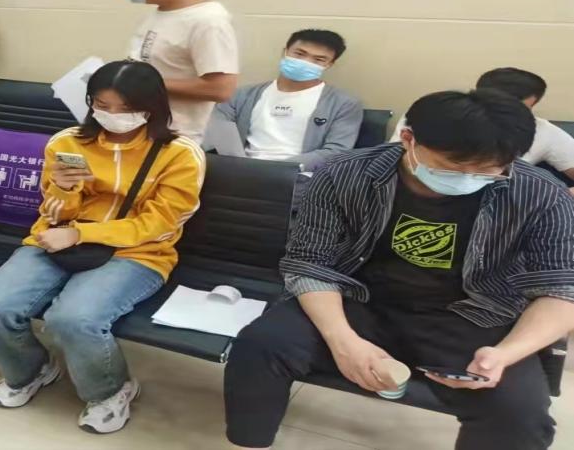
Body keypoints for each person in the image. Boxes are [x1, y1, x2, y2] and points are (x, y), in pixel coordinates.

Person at [224, 89, 574, 450]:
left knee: (518, 413)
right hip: (358, 299)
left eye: (487, 171)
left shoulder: (540, 196)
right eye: (452, 168)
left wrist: (504, 355)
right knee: (262, 346)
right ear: (408, 139)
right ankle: (250, 441)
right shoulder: (345, 174)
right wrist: (343, 342)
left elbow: (562, 291)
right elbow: (310, 262)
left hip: (472, 316)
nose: (468, 178)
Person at [0, 60, 205, 435]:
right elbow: (53, 212)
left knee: (73, 319)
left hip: (139, 251)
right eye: (103, 106)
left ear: (153, 107)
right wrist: (63, 189)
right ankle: (32, 370)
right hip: (59, 238)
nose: (113, 116)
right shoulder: (68, 142)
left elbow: (160, 224)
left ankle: (110, 390)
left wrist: (81, 234)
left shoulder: (179, 153)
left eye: (126, 108)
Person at [102, 0, 239, 144]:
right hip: (139, 131)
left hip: (174, 140)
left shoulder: (208, 20)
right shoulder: (160, 13)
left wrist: (141, 84)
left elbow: (221, 89)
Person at [391, 68, 574, 193]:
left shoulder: (542, 133)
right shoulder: (433, 117)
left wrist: (559, 197)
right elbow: (395, 159)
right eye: (452, 166)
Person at [213, 29, 362, 170]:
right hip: (241, 170)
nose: (306, 62)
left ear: (329, 64)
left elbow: (336, 151)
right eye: (299, 54)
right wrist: (244, 168)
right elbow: (219, 133)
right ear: (285, 52)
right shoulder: (241, 95)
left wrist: (278, 169)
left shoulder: (344, 104)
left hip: (300, 176)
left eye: (318, 59)